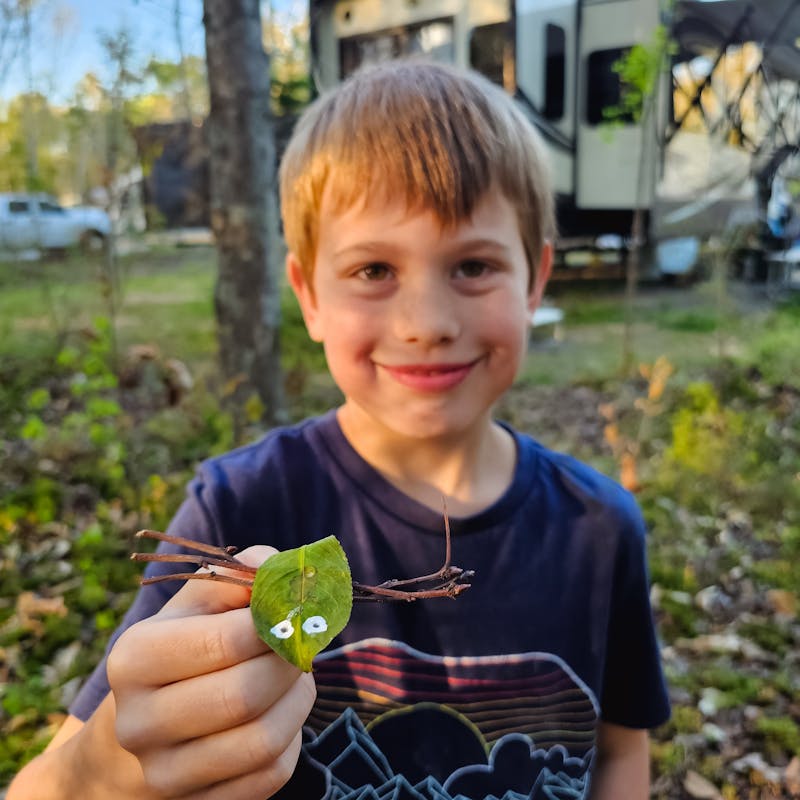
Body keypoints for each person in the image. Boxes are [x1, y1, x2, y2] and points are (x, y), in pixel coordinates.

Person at [8, 59, 670, 800]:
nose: (427, 325)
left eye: (474, 265)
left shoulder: (601, 530)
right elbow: (45, 788)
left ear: (536, 280)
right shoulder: (240, 506)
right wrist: (103, 771)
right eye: (374, 271)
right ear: (308, 294)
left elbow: (618, 754)